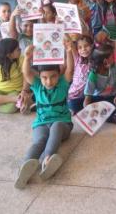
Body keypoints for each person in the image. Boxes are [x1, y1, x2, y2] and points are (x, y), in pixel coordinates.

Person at [15, 45, 74, 189]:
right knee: (39, 140)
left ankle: (47, 160)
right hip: (41, 123)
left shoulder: (62, 84)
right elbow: (26, 72)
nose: (49, 81)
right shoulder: (36, 86)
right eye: (44, 78)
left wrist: (69, 51)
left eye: (53, 76)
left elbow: (70, 70)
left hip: (63, 125)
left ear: (58, 75)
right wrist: (28, 57)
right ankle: (25, 166)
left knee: (57, 126)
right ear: (39, 77)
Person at [84, 44, 116, 121]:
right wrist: (88, 109)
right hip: (99, 99)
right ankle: (112, 117)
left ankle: (102, 115)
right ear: (105, 61)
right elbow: (87, 98)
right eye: (113, 57)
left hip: (113, 97)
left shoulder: (115, 66)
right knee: (74, 104)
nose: (115, 59)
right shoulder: (93, 75)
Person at [66, 35, 94, 114]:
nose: (83, 49)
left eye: (86, 46)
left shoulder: (95, 61)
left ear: (92, 46)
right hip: (74, 94)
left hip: (88, 95)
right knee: (72, 104)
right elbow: (70, 43)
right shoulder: (78, 59)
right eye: (80, 47)